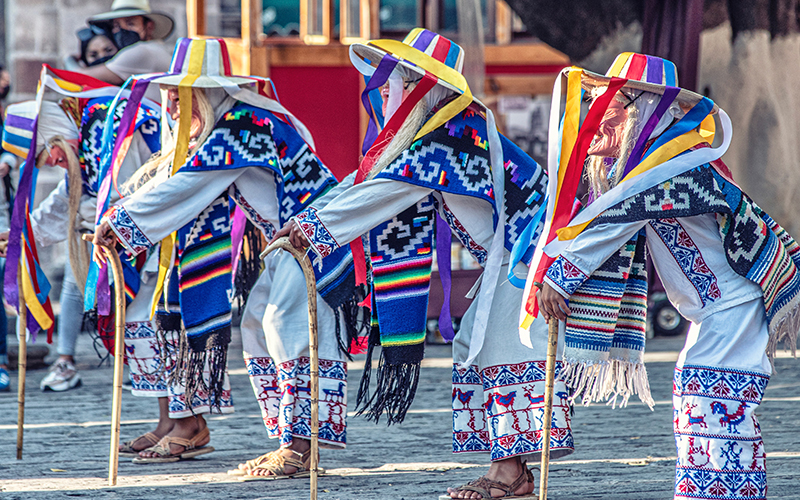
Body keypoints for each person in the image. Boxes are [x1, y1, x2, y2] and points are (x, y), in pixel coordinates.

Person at [275, 29, 573, 499]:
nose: (383, 93)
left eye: (393, 83)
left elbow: (387, 189)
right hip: (517, 255)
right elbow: (371, 180)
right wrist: (309, 219)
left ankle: (510, 475)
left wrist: (313, 225)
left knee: (498, 345)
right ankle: (510, 472)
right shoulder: (442, 132)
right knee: (478, 343)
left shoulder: (449, 135)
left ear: (419, 87)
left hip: (532, 254)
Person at [535, 53, 800, 500]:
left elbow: (612, 224)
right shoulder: (667, 164)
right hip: (722, 308)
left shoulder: (668, 168)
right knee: (705, 405)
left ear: (641, 112)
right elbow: (613, 219)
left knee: (709, 402)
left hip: (733, 306)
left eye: (608, 108)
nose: (595, 119)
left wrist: (558, 278)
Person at [92, 38, 353, 469]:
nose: (171, 109)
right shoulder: (238, 123)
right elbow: (187, 182)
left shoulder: (242, 126)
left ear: (205, 94)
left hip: (309, 237)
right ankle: (293, 441)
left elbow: (189, 186)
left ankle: (302, 447)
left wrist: (120, 223)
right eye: (168, 99)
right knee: (258, 325)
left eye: (179, 98)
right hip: (288, 239)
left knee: (287, 328)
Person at [0, 70, 161, 392]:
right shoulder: (86, 132)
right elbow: (72, 194)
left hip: (158, 232)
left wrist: (27, 231)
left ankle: (176, 418)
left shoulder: (106, 124)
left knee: (148, 317)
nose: (55, 163)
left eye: (50, 156)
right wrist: (22, 232)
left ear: (54, 135)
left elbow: (120, 194)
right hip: (137, 233)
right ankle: (167, 414)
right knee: (138, 319)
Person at [79, 0, 174, 84]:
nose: (122, 31)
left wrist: (70, 59)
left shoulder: (142, 51)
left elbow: (80, 77)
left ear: (149, 27)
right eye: (117, 25)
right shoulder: (155, 48)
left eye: (130, 23)